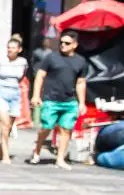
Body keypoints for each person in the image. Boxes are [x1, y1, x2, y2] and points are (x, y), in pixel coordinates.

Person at [30, 31, 88, 169]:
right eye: (61, 42)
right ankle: (37, 147)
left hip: (70, 101)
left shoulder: (81, 62)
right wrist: (36, 95)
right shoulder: (51, 57)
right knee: (47, 127)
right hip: (51, 100)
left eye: (67, 43)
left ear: (75, 45)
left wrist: (82, 103)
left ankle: (60, 159)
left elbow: (81, 83)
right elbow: (40, 76)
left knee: (66, 129)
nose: (63, 45)